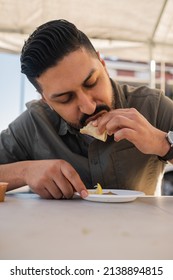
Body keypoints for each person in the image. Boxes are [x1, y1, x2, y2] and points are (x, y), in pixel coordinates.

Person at [0, 19, 173, 199]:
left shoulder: (152, 106)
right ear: (45, 100)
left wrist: (162, 144)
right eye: (65, 98)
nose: (89, 107)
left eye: (91, 82)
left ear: (102, 64)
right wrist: (25, 171)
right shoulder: (33, 124)